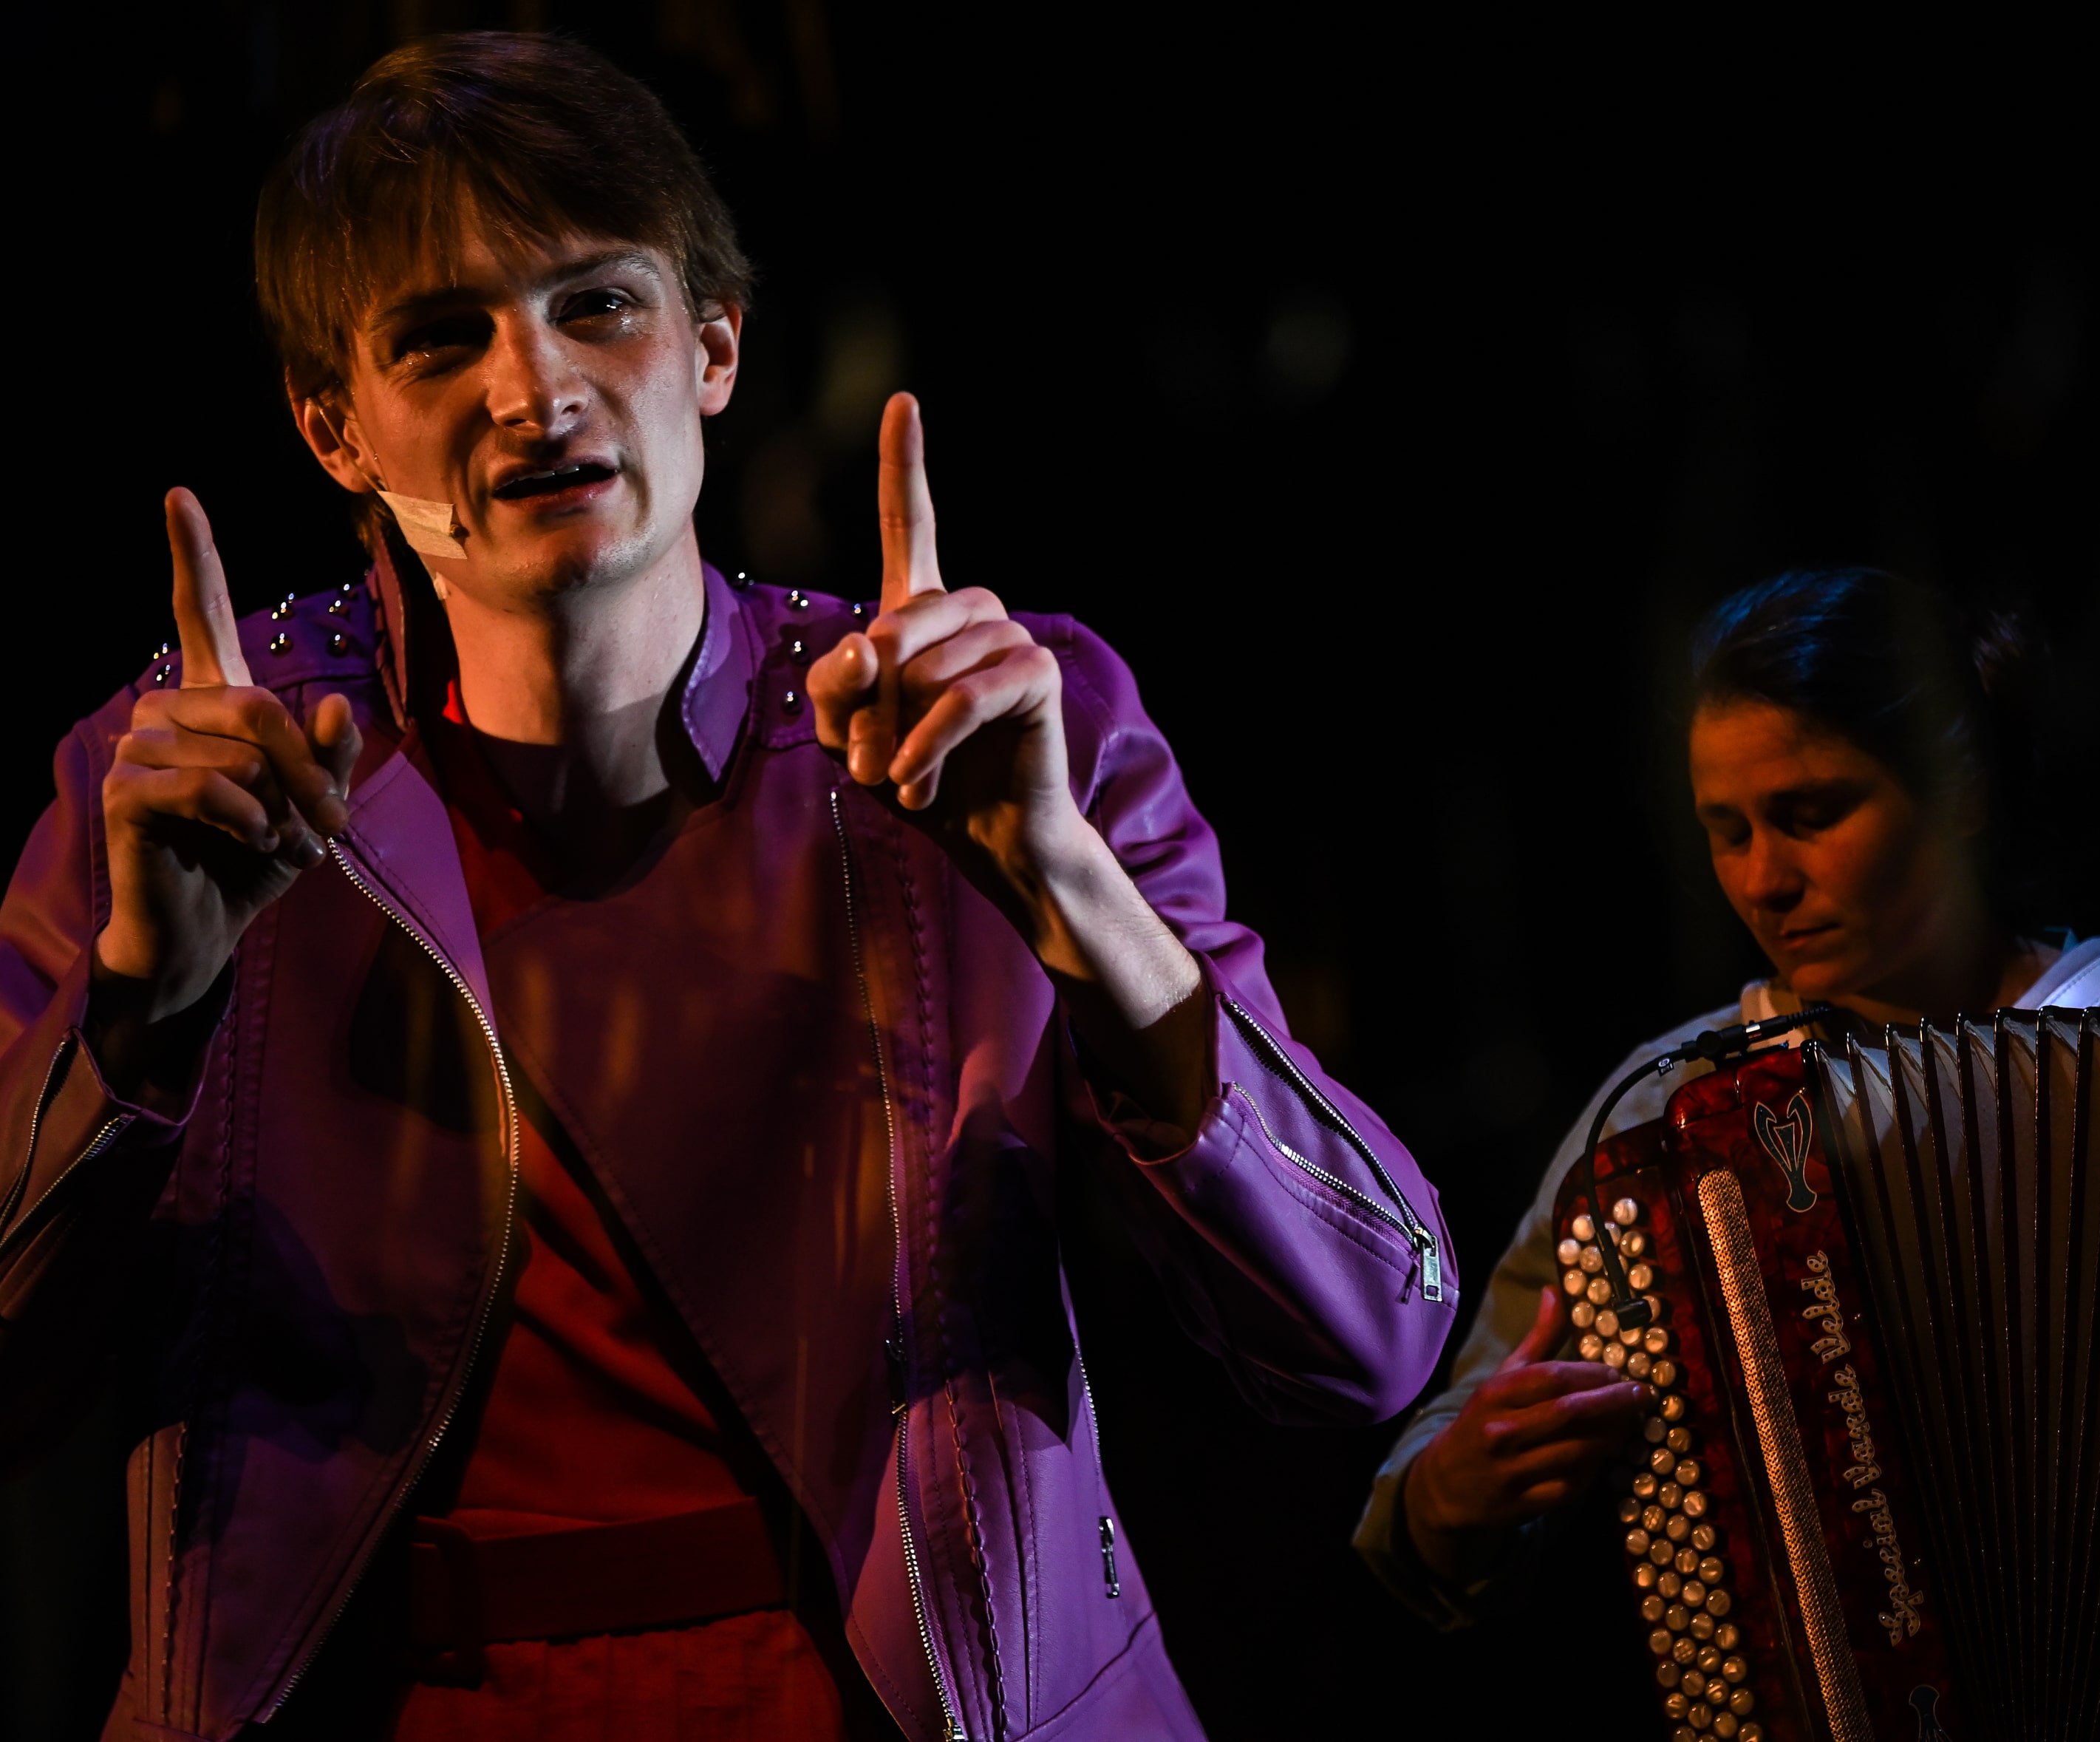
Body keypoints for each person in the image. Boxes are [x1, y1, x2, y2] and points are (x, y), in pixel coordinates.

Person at [0, 35, 1456, 1741]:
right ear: (334, 427)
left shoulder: (993, 722)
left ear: (713, 348)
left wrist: (1073, 894)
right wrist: (140, 1018)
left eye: (597, 306)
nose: (533, 387)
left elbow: (1371, 1332)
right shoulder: (186, 777)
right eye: (440, 338)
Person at [1354, 566, 2100, 1627]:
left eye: (1809, 815)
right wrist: (1443, 1496)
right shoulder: (1672, 1114)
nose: (1764, 880)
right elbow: (1435, 1471)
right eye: (1728, 832)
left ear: (1962, 792)